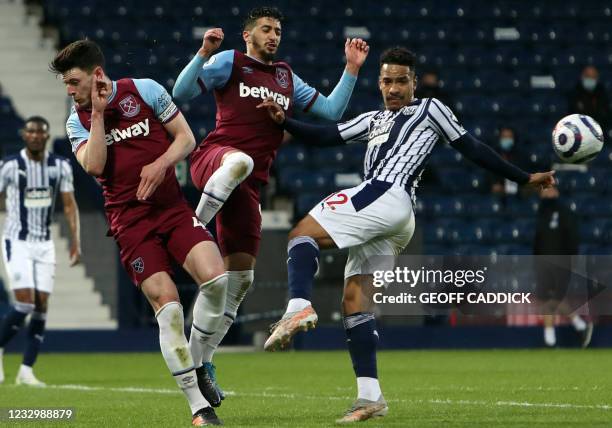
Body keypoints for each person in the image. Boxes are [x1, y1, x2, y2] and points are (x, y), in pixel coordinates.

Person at [258, 46, 556, 423]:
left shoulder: (431, 109)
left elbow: (472, 148)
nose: (394, 88)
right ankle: (370, 397)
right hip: (395, 218)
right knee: (355, 299)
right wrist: (284, 121)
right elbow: (327, 135)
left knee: (301, 233)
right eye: (387, 81)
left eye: (402, 81)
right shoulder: (373, 119)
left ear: (414, 82)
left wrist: (523, 177)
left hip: (389, 193)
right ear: (379, 83)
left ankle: (296, 306)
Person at [172, 6, 369, 397]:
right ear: (248, 35)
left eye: (278, 29)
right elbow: (180, 93)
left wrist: (351, 68)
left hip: (248, 185)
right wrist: (203, 54)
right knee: (239, 161)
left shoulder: (285, 76)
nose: (273, 35)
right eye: (266, 29)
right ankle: (194, 227)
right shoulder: (230, 61)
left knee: (240, 280)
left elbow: (330, 111)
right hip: (215, 159)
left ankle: (201, 363)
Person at [52, 40, 227, 426]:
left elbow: (186, 139)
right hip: (130, 222)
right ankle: (199, 407)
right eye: (66, 83)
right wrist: (97, 115)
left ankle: (200, 362)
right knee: (168, 308)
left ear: (97, 74)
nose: (70, 89)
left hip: (172, 209)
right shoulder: (76, 120)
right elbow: (96, 167)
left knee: (217, 280)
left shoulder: (144, 90)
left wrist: (161, 164)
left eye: (74, 81)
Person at [0, 116, 80, 387]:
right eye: (31, 131)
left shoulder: (60, 166)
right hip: (17, 241)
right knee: (24, 303)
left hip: (45, 244)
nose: (35, 136)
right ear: (24, 135)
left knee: (42, 307)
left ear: (46, 136)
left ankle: (26, 369)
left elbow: (69, 205)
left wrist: (75, 241)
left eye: (40, 132)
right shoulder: (10, 166)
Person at [534, 186, 593, 348]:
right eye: (543, 190)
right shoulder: (541, 212)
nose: (546, 193)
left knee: (553, 299)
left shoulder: (565, 212)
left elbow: (573, 237)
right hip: (543, 262)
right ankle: (579, 326)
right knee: (549, 299)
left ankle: (551, 339)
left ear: (557, 192)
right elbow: (538, 239)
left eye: (549, 189)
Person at [567, 65, 610, 137]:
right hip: (578, 134)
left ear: (597, 79)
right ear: (582, 77)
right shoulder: (574, 94)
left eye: (593, 77)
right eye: (588, 76)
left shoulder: (602, 94)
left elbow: (606, 117)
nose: (590, 79)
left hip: (599, 134)